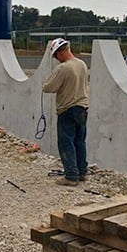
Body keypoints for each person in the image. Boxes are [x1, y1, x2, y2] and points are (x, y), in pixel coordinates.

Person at [42, 38, 89, 186]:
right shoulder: (81, 64)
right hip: (82, 108)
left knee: (66, 142)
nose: (56, 59)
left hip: (67, 109)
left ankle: (70, 176)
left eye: (56, 56)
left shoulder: (63, 68)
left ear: (60, 52)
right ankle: (81, 172)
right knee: (79, 141)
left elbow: (49, 87)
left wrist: (45, 83)